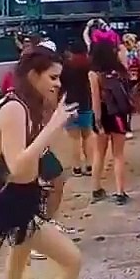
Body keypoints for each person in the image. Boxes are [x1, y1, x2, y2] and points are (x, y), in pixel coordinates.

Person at [0, 45, 94, 279]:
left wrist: (50, 117)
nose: (57, 83)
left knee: (19, 249)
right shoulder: (14, 109)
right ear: (33, 75)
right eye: (52, 77)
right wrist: (53, 126)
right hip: (13, 199)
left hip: (22, 194)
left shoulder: (25, 105)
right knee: (72, 258)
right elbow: (17, 164)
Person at [89, 39, 133, 204]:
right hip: (118, 115)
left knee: (99, 153)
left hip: (103, 114)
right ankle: (120, 192)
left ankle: (96, 188)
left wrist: (98, 121)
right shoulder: (120, 71)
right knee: (118, 155)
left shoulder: (94, 74)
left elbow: (95, 100)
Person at [59, 38, 96, 176]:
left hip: (70, 104)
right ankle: (90, 165)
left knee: (74, 138)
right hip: (85, 102)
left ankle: (76, 167)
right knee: (87, 135)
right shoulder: (88, 66)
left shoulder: (65, 67)